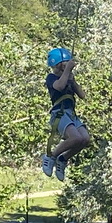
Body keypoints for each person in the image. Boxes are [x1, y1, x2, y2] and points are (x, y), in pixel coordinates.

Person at [42, 48, 91, 182]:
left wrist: (73, 81)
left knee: (85, 139)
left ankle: (62, 159)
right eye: (64, 63)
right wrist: (67, 71)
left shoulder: (69, 78)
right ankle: (50, 156)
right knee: (75, 138)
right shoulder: (51, 77)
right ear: (57, 64)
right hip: (60, 113)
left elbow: (82, 95)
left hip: (71, 114)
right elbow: (59, 86)